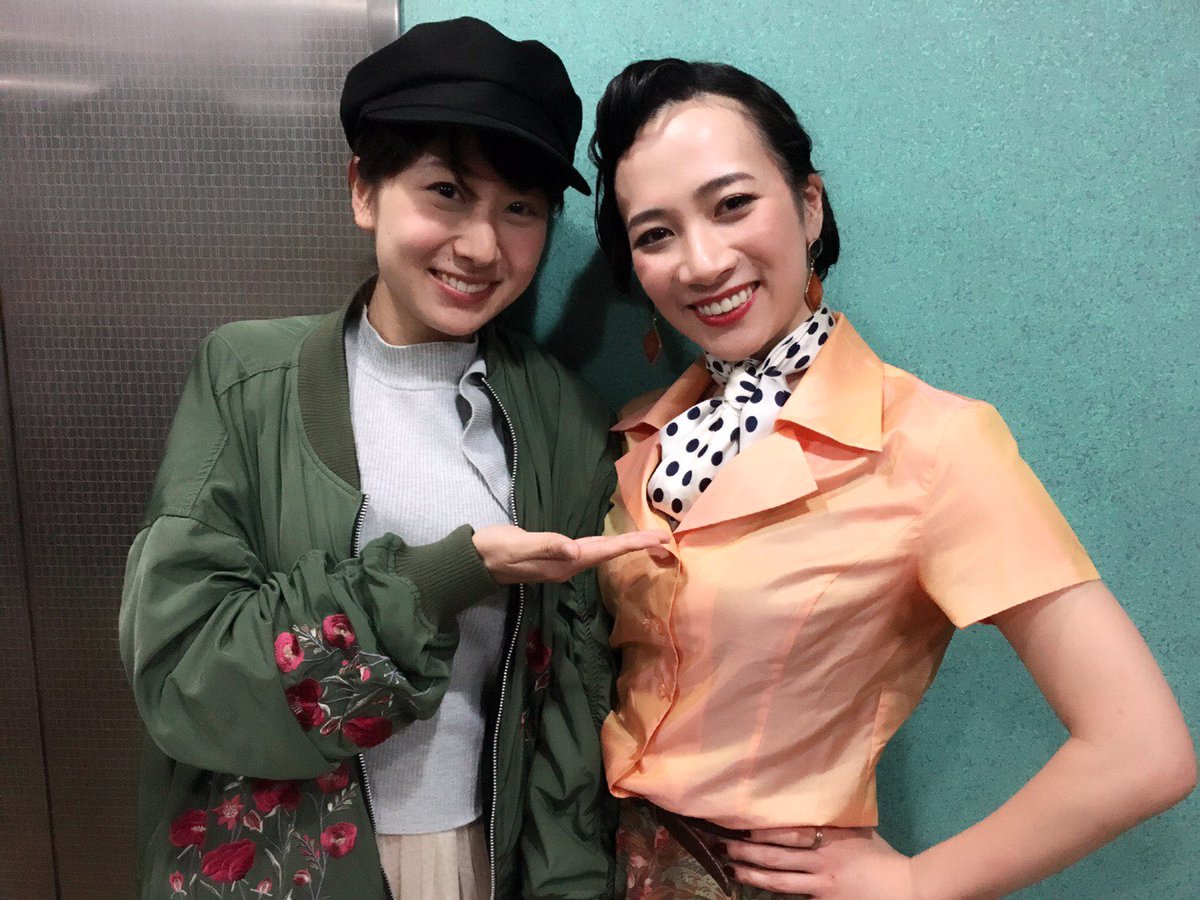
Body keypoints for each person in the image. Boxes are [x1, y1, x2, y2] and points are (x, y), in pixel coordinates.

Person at [589, 58, 1195, 899]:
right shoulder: (640, 434)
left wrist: (918, 883)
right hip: (595, 865)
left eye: (732, 205)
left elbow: (1144, 750)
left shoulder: (932, 443)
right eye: (655, 234)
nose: (701, 261)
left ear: (809, 203)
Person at [119, 18, 663, 900]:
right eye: (446, 191)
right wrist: (443, 576)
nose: (482, 245)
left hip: (483, 856)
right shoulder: (248, 380)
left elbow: (570, 699)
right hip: (290, 864)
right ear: (364, 191)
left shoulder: (564, 416)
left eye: (521, 209)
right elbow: (184, 671)